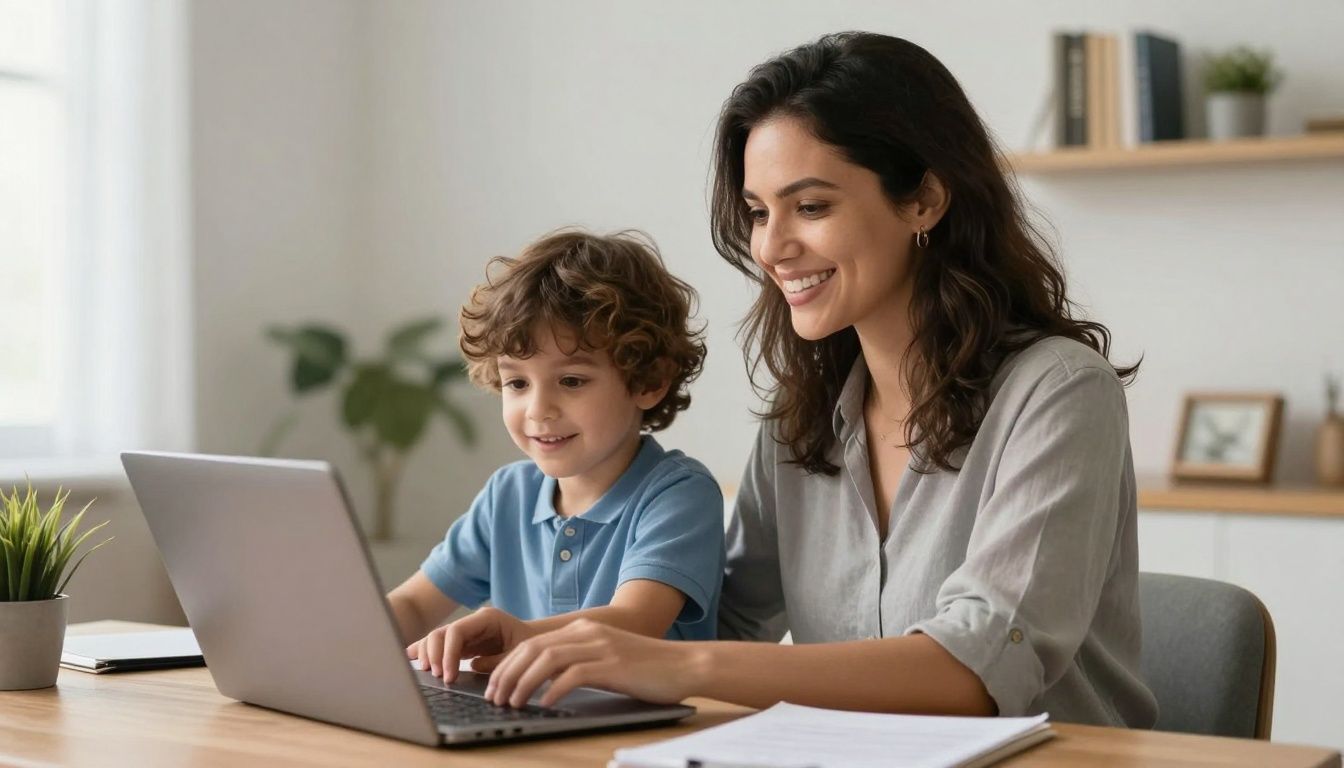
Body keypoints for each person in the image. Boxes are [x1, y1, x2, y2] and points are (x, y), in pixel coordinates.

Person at [432, 32, 1160, 729]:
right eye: (757, 213)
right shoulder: (800, 420)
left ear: (924, 201)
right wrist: (535, 636)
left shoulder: (1060, 393)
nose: (772, 248)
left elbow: (975, 669)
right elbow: (719, 623)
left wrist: (685, 669)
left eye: (810, 206)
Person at [386, 230, 724, 680]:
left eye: (571, 381)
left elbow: (634, 622)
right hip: (525, 723)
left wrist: (520, 634)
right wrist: (338, 636)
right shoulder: (508, 494)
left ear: (649, 381)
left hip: (647, 735)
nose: (538, 410)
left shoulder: (678, 494)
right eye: (517, 383)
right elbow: (413, 603)